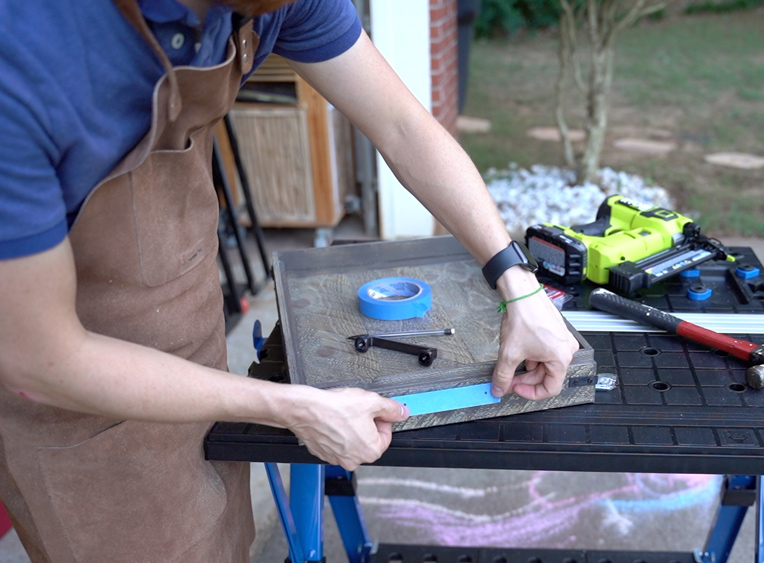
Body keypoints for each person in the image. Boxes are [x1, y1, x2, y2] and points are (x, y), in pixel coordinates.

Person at [0, 0, 580, 560]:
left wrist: (519, 288)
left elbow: (402, 127)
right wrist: (293, 407)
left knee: (221, 536)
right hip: (66, 383)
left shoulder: (278, 3)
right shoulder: (26, 56)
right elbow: (39, 361)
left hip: (185, 320)